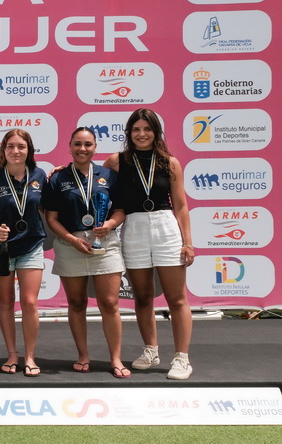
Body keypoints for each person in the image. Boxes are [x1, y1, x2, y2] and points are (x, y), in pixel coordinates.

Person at [103, 108, 195, 380]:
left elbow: (181, 206)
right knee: (142, 297)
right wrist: (64, 170)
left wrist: (188, 243)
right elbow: (92, 179)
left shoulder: (170, 162)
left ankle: (182, 358)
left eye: (147, 129)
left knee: (176, 298)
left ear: (156, 132)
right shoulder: (117, 161)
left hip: (166, 227)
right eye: (136, 129)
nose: (141, 134)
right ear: (129, 133)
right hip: (133, 228)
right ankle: (151, 351)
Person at [43, 127, 130, 378]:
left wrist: (110, 224)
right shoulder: (57, 178)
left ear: (95, 147)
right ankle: (83, 355)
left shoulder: (109, 176)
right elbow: (51, 218)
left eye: (88, 144)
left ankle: (115, 358)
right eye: (78, 144)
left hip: (105, 242)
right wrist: (72, 240)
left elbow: (120, 210)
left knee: (109, 303)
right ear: (70, 146)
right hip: (71, 244)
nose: (82, 149)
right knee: (77, 303)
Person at [0, 130, 47, 377]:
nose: (15, 151)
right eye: (10, 146)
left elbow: (51, 207)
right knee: (6, 303)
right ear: (3, 150)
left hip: (31, 245)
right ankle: (12, 354)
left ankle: (30, 356)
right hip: (3, 249)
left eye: (21, 146)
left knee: (30, 302)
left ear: (29, 150)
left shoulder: (40, 175)